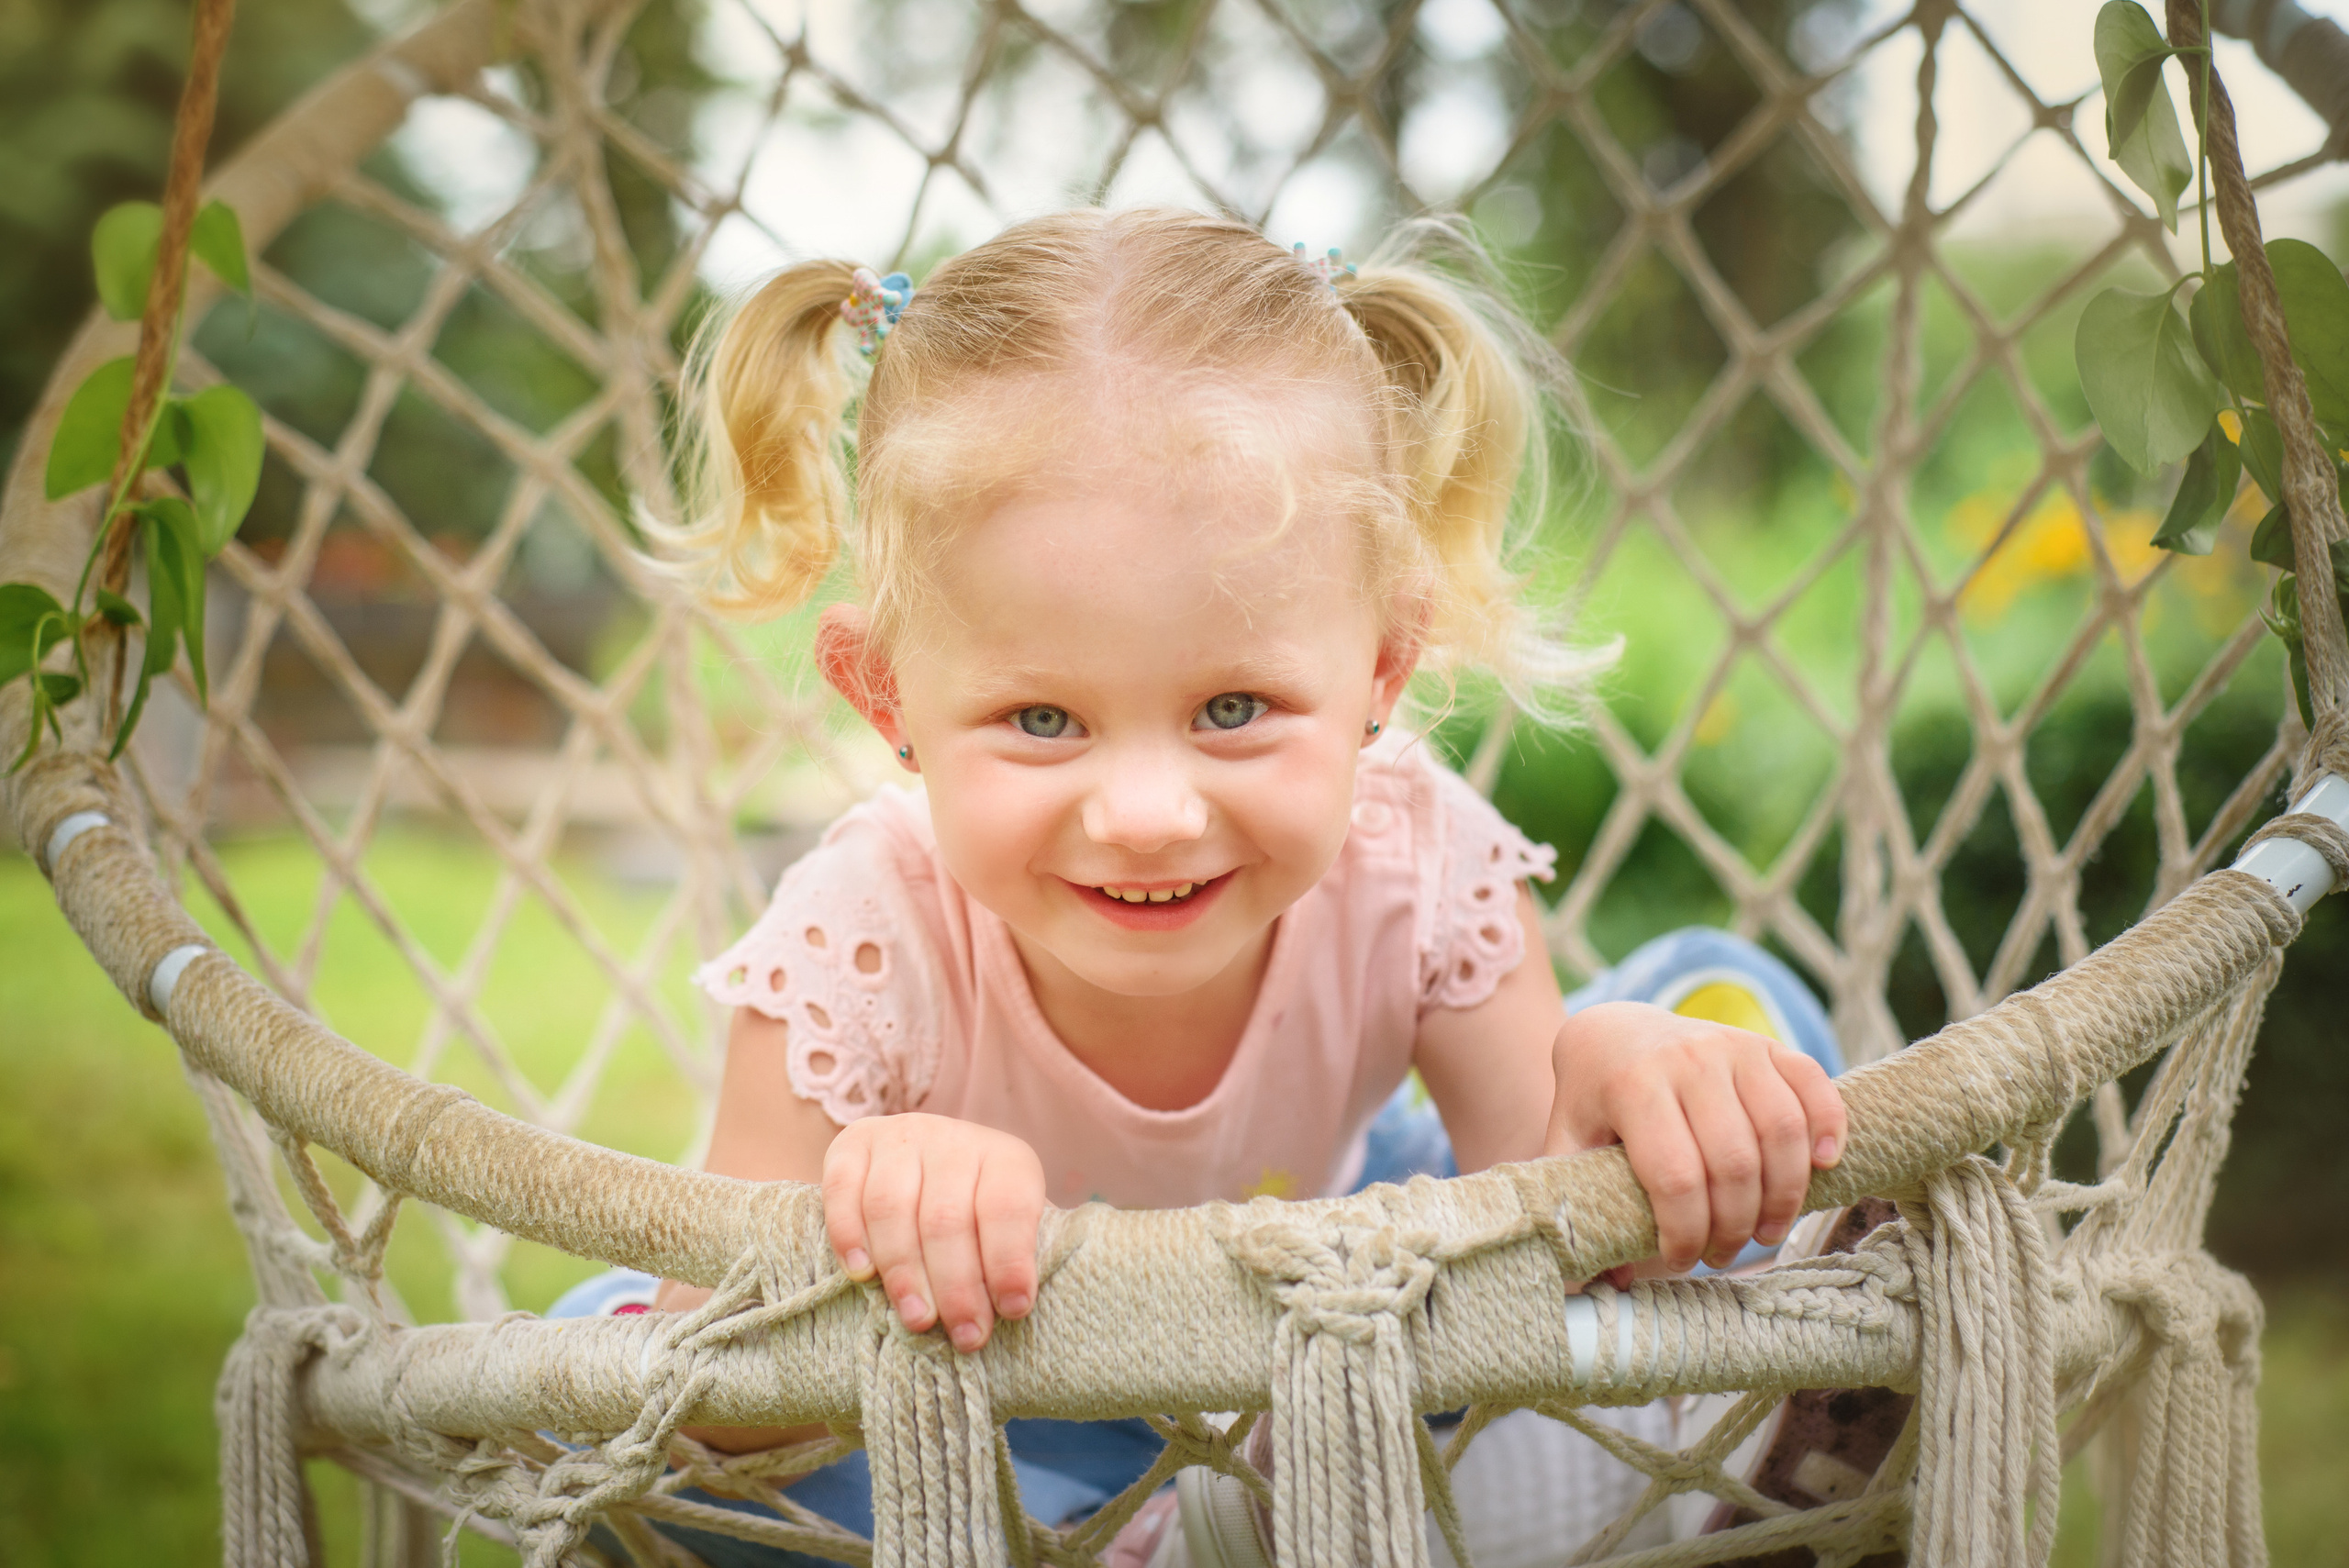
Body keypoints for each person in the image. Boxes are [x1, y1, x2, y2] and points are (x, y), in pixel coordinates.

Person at [558, 207, 1848, 1567]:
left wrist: (1614, 1081)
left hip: (1354, 1311)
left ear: (1383, 677)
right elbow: (716, 1414)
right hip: (1003, 1416)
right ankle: (1211, 1531)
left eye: (1234, 706)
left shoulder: (1410, 852)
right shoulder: (861, 942)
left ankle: (1674, 1439)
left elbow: (1537, 1234)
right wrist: (858, 1228)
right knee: (624, 1389)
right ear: (886, 694)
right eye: (1042, 720)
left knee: (1724, 1016)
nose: (1149, 815)